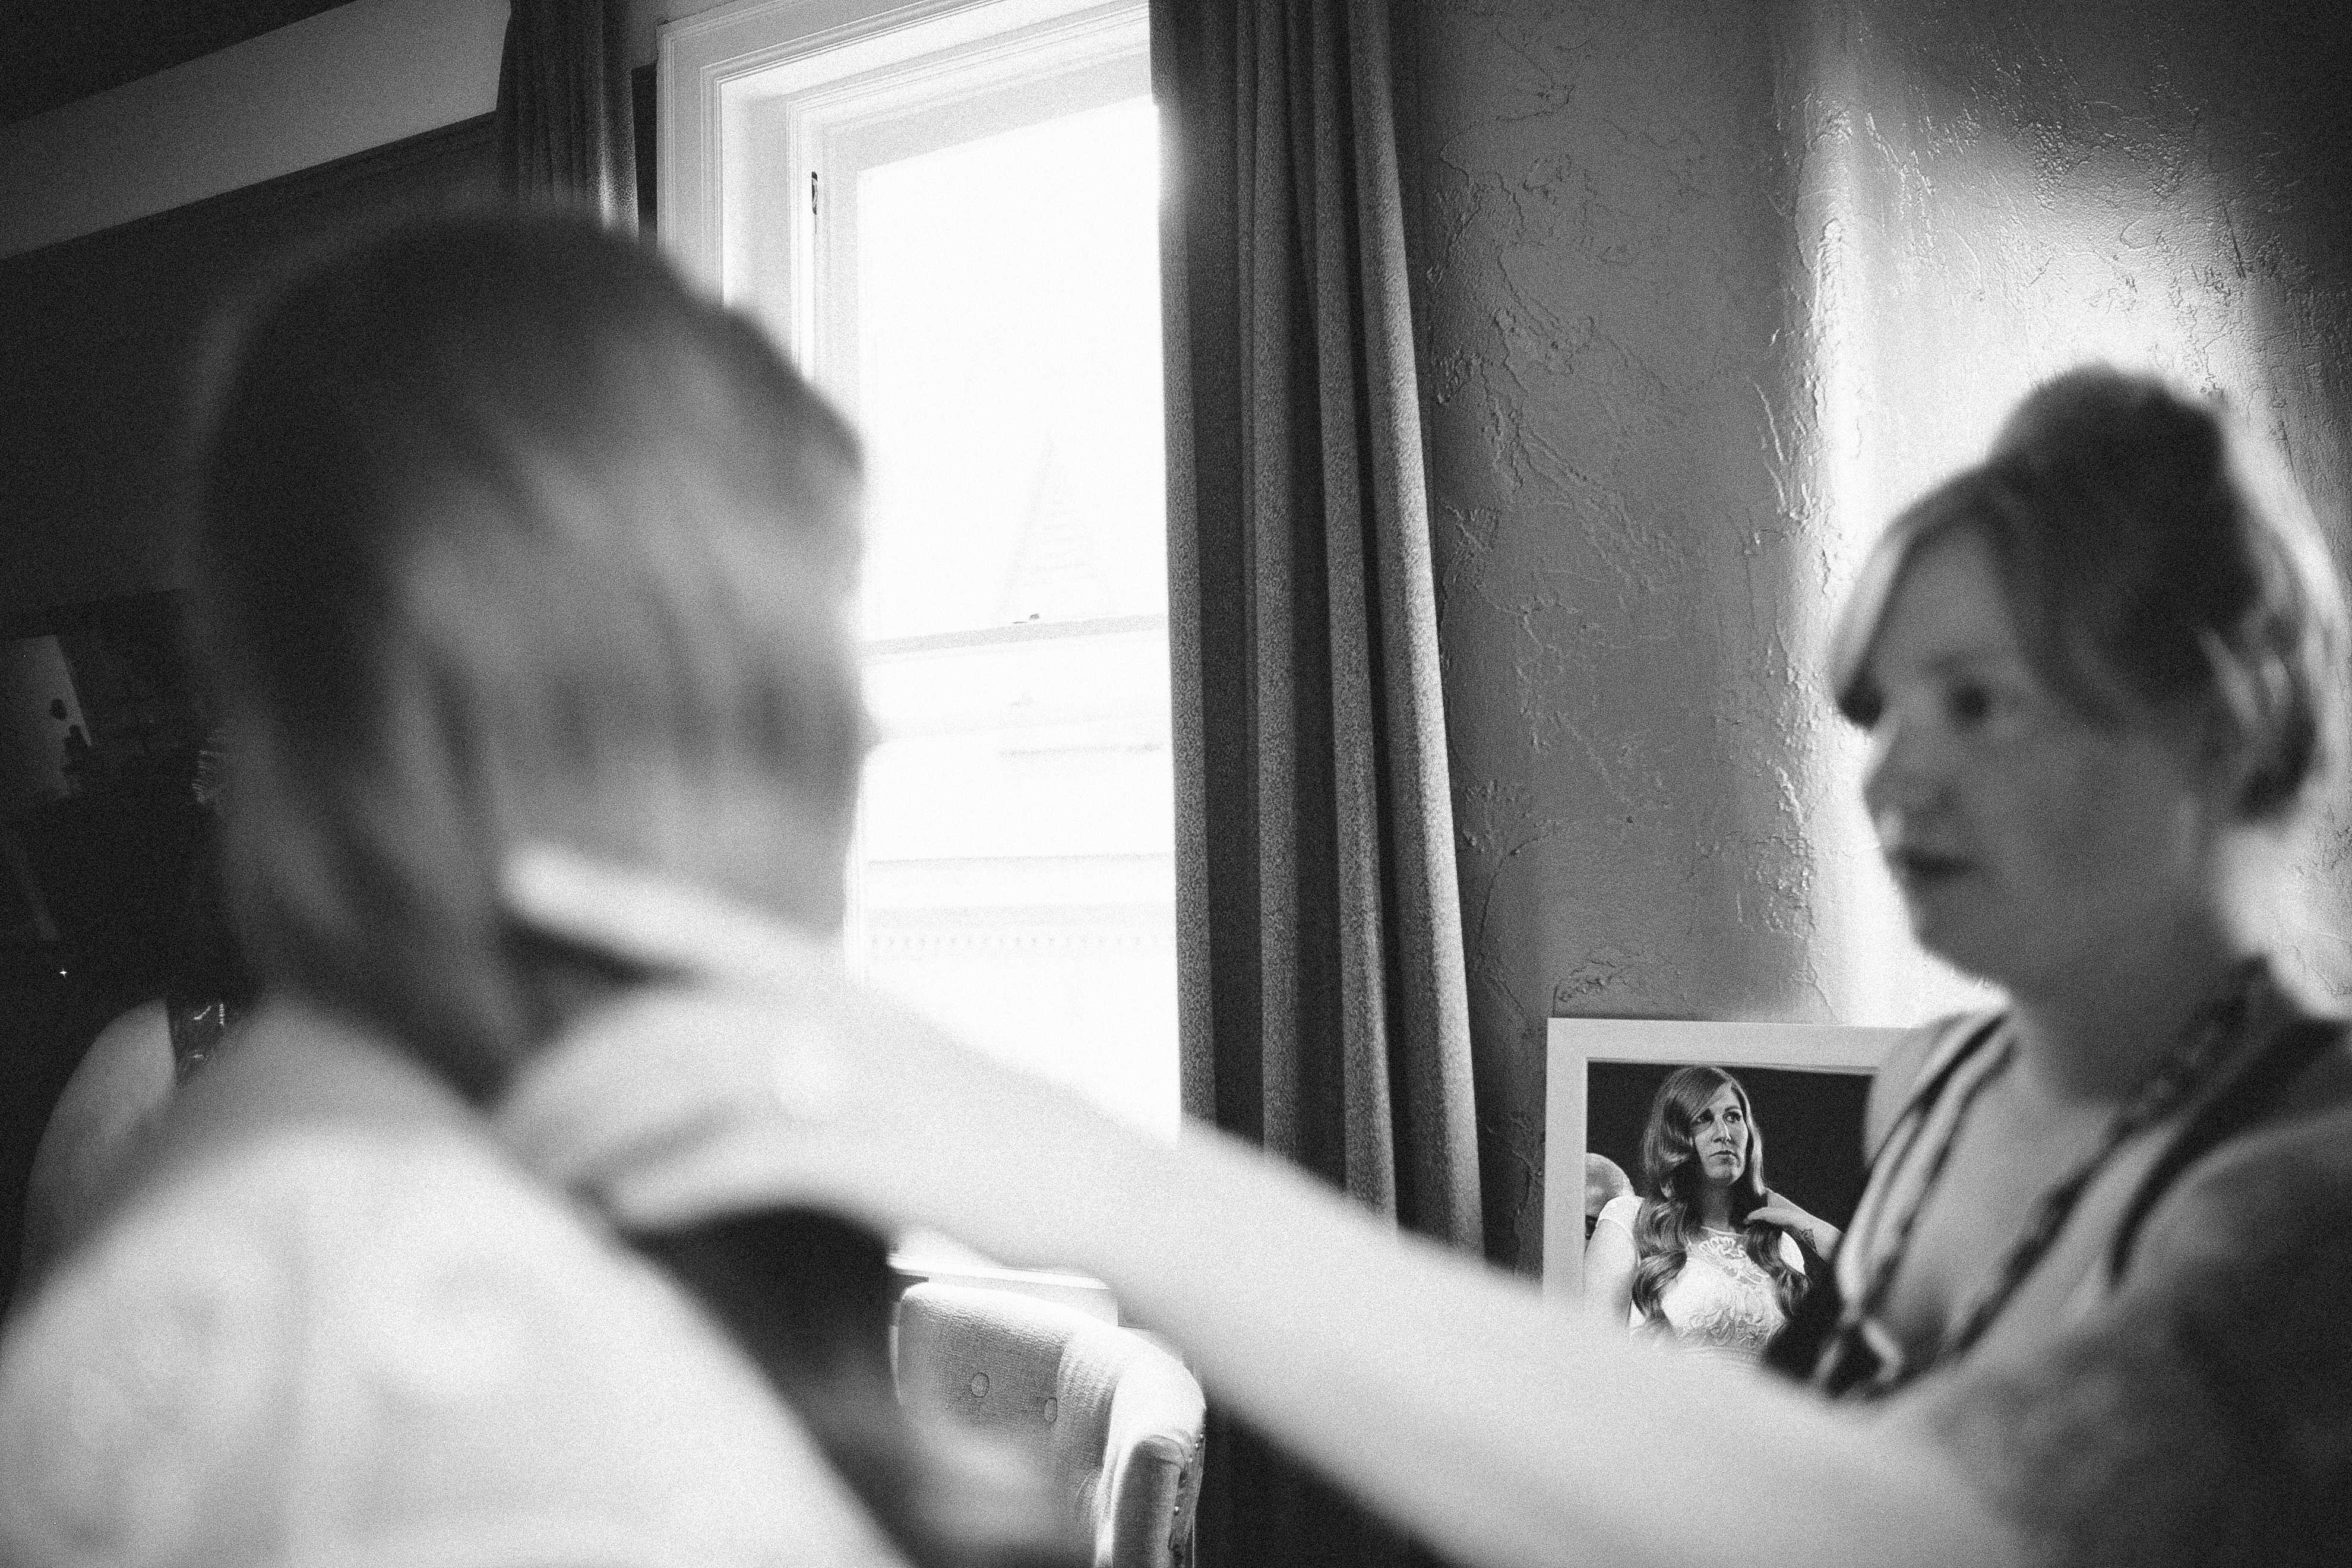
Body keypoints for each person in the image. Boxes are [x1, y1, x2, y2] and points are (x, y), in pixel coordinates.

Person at [494, 365, 2352, 1568]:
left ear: (2216, 721)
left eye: (1980, 703)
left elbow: (1917, 1533)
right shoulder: (1944, 1086)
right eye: (1882, 709)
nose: (1891, 773)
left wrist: (1050, 1159)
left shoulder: (2307, 1202)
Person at [0, 213, 1076, 1567]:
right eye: (818, 628)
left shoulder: (389, 1169)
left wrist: (1097, 1189)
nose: (867, 732)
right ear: (627, 696)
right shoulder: (438, 1348)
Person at [1582, 1067, 1837, 1362]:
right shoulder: (1630, 1219)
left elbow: (1868, 1273)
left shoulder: (1779, 1247)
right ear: (1675, 1136)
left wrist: (1798, 1219)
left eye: (1733, 1117)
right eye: (1703, 1119)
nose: (1724, 1134)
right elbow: (1595, 1354)